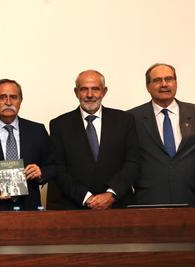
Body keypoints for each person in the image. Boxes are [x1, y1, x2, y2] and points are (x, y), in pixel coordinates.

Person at [47, 70, 138, 210]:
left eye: (95, 89)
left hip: (118, 206)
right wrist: (86, 197)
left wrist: (111, 194)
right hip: (75, 207)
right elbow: (59, 168)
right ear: (76, 92)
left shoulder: (125, 120)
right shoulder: (59, 125)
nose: (90, 95)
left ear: (104, 91)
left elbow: (132, 162)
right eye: (84, 89)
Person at [128, 63, 195, 206]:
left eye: (169, 79)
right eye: (157, 80)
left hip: (191, 199)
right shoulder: (132, 118)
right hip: (148, 200)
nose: (164, 84)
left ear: (176, 83)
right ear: (147, 86)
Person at [0, 79, 55, 211]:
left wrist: (41, 173)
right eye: (2, 97)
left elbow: (54, 165)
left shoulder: (37, 130)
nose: (9, 102)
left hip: (29, 209)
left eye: (14, 97)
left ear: (20, 101)